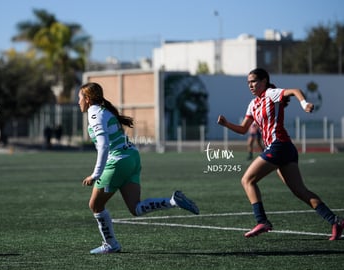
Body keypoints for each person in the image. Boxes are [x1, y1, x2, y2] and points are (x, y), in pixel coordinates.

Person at [217, 68, 343, 240]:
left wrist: (304, 104)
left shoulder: (271, 93)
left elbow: (295, 91)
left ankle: (262, 221)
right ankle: (335, 221)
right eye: (248, 82)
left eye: (254, 81)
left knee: (247, 180)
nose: (251, 85)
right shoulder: (252, 104)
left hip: (279, 146)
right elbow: (243, 129)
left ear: (264, 81)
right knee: (300, 191)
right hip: (284, 149)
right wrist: (226, 124)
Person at [78, 82, 199, 254]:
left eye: (80, 98)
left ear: (88, 99)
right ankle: (172, 201)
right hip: (132, 157)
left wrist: (95, 174)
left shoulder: (94, 113)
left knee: (95, 205)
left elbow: (104, 146)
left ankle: (111, 244)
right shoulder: (104, 111)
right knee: (136, 208)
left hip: (118, 161)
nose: (78, 102)